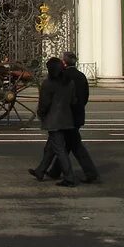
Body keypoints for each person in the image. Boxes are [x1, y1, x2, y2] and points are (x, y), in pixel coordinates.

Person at [45, 51, 99, 183]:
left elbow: (58, 96)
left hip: (65, 117)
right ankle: (53, 171)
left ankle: (88, 173)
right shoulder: (81, 76)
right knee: (68, 144)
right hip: (77, 115)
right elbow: (85, 96)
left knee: (72, 146)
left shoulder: (63, 76)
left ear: (64, 62)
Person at [30, 57, 78, 187]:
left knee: (59, 150)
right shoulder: (70, 82)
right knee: (50, 148)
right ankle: (40, 171)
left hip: (54, 120)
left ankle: (69, 178)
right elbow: (74, 101)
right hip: (67, 119)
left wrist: (41, 114)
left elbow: (44, 103)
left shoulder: (48, 83)